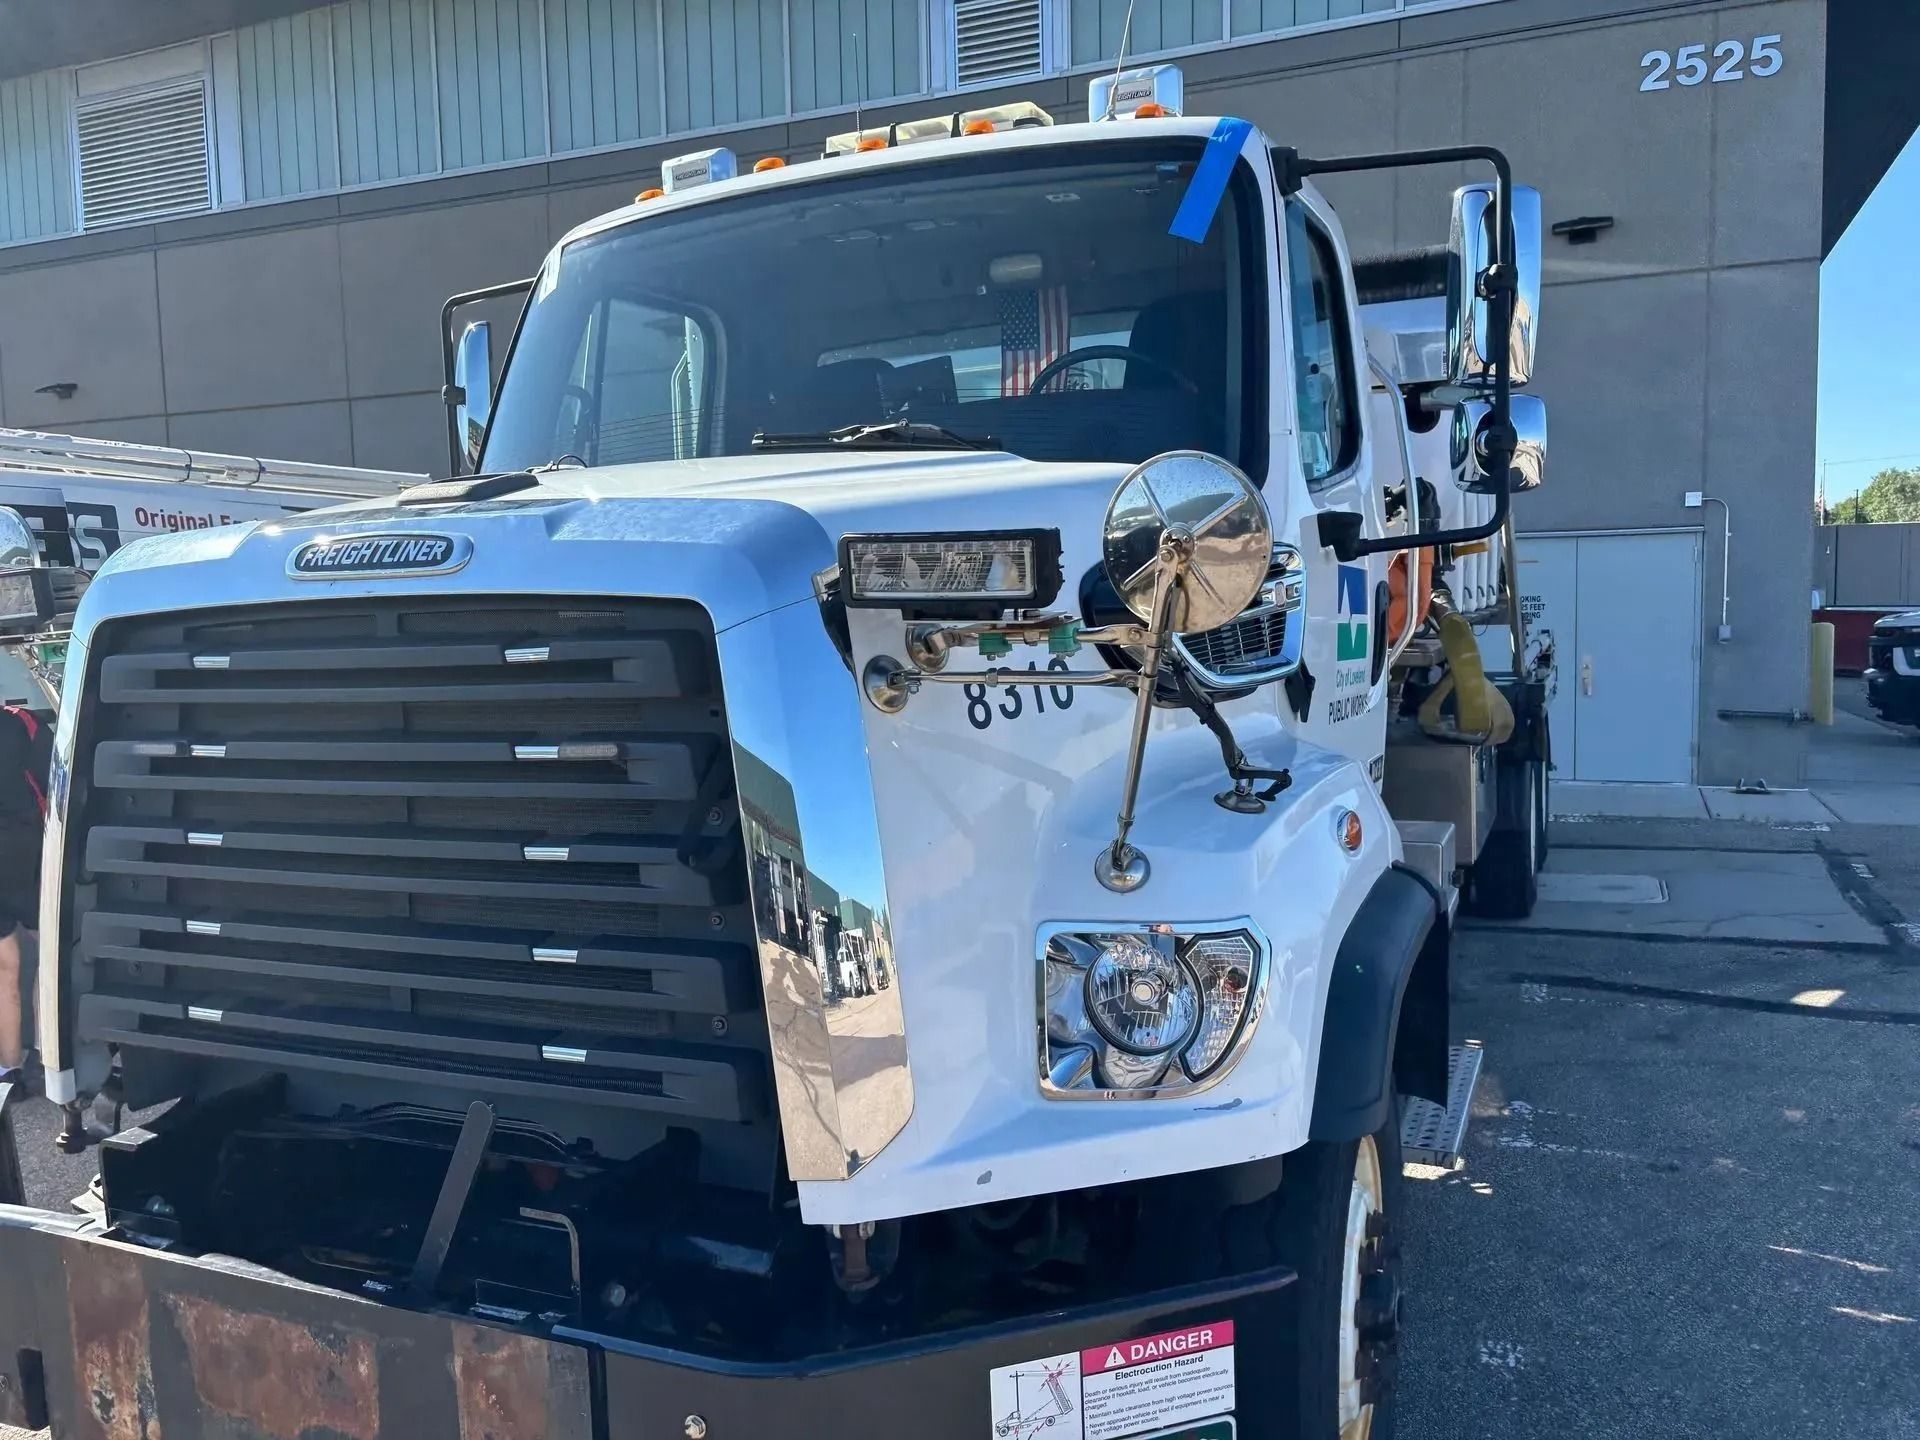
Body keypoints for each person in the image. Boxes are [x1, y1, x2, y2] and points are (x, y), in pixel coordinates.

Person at [0, 701, 52, 1090]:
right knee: (47, 962)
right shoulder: (23, 723)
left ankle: (9, 1068)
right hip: (30, 854)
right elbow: (54, 783)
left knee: (5, 967)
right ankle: (49, 1059)